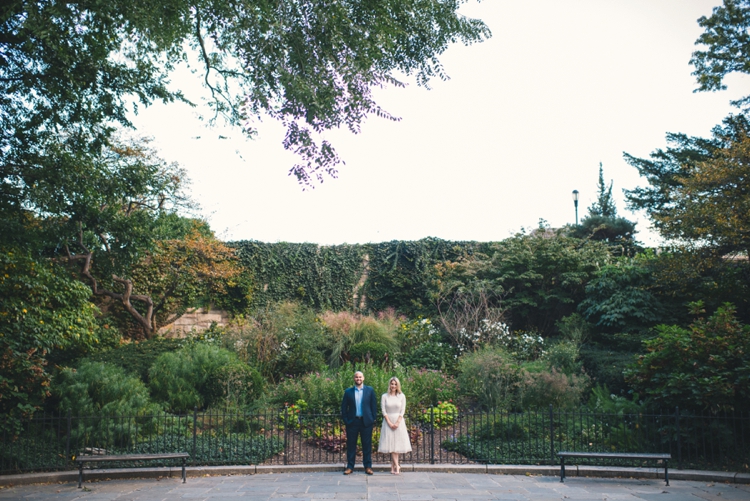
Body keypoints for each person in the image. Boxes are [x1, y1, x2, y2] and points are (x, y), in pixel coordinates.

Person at [341, 370, 377, 475]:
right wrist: (346, 420)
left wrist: (372, 419)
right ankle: (350, 467)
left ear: (363, 378)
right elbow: (344, 408)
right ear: (354, 379)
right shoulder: (348, 392)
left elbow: (373, 406)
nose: (358, 379)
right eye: (356, 377)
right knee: (351, 445)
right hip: (353, 422)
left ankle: (368, 467)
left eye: (360, 377)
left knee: (367, 445)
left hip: (366, 422)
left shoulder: (370, 391)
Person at [377, 376, 412, 474]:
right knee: (391, 444)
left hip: (398, 421)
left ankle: (394, 466)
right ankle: (397, 465)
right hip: (388, 421)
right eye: (392, 384)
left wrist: (397, 422)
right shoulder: (384, 396)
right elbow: (383, 410)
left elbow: (402, 410)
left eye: (395, 384)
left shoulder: (401, 396)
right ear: (389, 385)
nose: (393, 386)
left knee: (396, 444)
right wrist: (389, 422)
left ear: (398, 385)